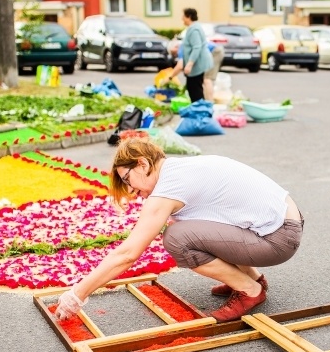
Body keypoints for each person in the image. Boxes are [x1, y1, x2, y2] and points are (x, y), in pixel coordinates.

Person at [54, 137, 304, 323]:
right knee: (185, 226)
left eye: (127, 179)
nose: (130, 190)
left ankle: (250, 290)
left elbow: (128, 254)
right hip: (285, 224)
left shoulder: (168, 188)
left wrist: (78, 294)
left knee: (177, 238)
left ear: (142, 163)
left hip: (278, 238)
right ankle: (251, 279)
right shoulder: (178, 169)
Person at [161, 8, 212, 103]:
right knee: (192, 87)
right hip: (196, 65)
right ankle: (198, 109)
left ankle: (199, 111)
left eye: (183, 16)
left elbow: (197, 47)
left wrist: (189, 64)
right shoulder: (193, 28)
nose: (182, 19)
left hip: (197, 65)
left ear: (189, 17)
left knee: (195, 89)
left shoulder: (194, 29)